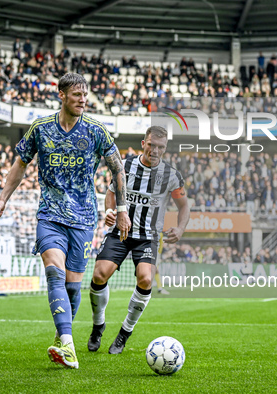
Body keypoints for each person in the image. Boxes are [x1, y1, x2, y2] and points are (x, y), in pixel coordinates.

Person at [0, 73, 131, 369]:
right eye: (77, 95)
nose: (83, 99)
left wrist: (121, 209)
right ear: (62, 95)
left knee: (72, 288)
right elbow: (20, 163)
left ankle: (60, 335)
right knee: (54, 272)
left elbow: (118, 169)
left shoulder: (96, 130)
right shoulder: (41, 128)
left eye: (85, 95)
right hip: (50, 215)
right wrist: (3, 198)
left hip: (83, 219)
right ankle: (68, 345)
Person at [87, 125, 189, 354]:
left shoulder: (171, 176)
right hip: (120, 232)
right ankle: (98, 326)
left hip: (148, 237)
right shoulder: (125, 166)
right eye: (151, 145)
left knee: (145, 279)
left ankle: (124, 333)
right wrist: (110, 211)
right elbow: (112, 193)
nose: (155, 150)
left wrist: (181, 229)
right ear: (144, 143)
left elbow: (184, 206)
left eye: (160, 147)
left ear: (165, 148)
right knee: (99, 275)